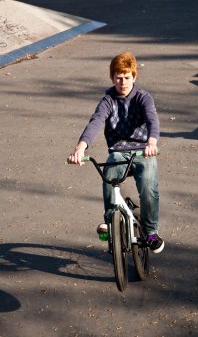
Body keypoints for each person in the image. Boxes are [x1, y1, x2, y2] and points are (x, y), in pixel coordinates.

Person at [68, 52, 164, 253]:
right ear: (112, 78)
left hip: (142, 151)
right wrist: (80, 148)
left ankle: (151, 231)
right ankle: (111, 221)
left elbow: (152, 120)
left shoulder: (143, 97)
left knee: (148, 186)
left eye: (127, 77)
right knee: (109, 175)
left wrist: (151, 142)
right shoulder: (108, 100)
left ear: (134, 77)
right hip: (119, 151)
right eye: (118, 77)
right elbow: (96, 122)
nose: (123, 82)